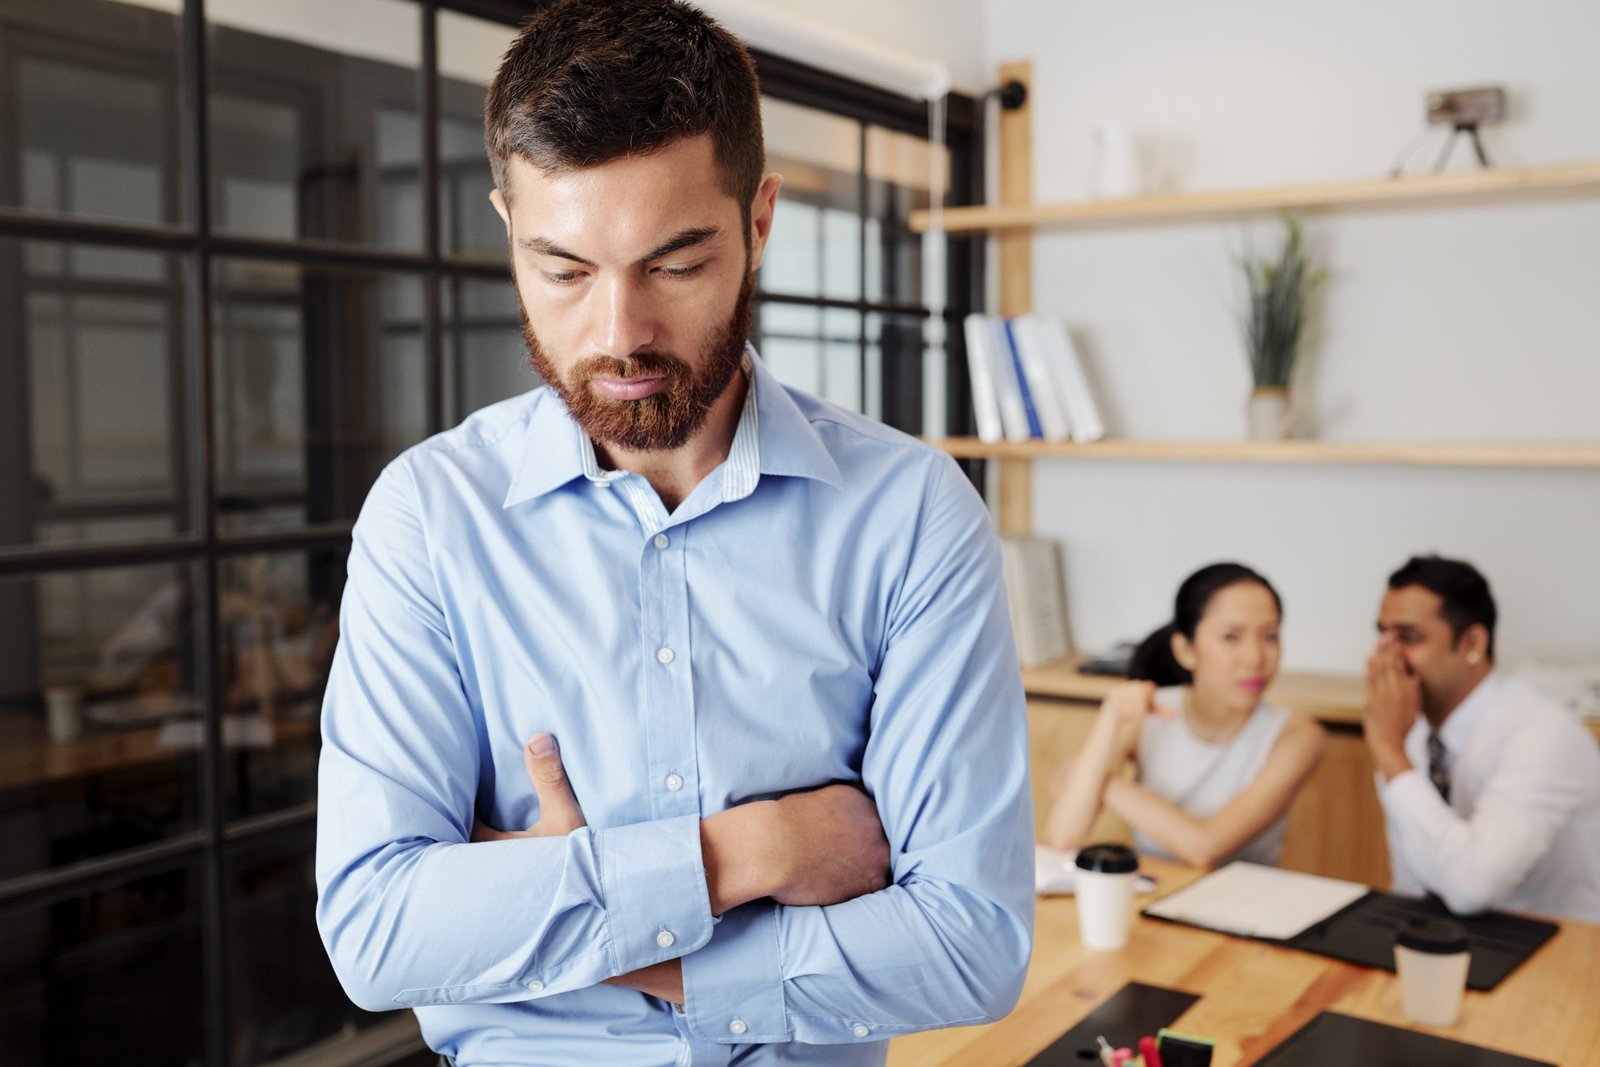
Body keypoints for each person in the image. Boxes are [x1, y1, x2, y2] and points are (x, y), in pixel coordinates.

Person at [312, 2, 1033, 1065]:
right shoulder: (428, 517)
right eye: (564, 270)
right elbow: (379, 932)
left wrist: (566, 903)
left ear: (759, 221)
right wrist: (749, 849)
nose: (618, 334)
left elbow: (971, 944)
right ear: (509, 228)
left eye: (676, 264)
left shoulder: (912, 515)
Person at [1364, 555, 1600, 921]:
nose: (1386, 656)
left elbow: (1471, 886)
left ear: (1473, 643)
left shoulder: (1542, 734)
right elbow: (1414, 883)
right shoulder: (1409, 730)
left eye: (1408, 637)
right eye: (1383, 635)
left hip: (1561, 951)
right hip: (1456, 941)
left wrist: (1390, 752)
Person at [1043, 563, 1325, 868]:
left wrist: (1104, 784)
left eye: (1270, 636)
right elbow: (1062, 836)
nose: (1255, 658)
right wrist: (1109, 718)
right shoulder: (1151, 712)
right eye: (1232, 637)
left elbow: (1205, 847)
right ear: (1185, 649)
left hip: (1246, 906)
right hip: (1155, 896)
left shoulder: (1298, 736)